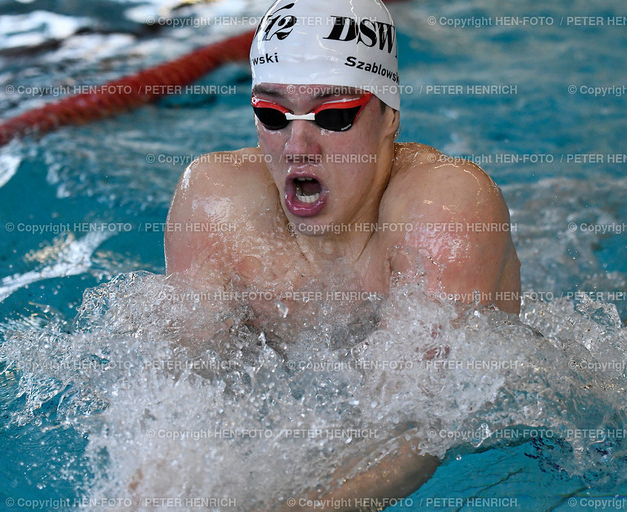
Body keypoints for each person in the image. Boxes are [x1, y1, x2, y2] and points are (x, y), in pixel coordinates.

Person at [164, 0, 521, 507]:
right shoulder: (216, 204)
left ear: (390, 117)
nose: (297, 147)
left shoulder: (447, 211)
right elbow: (182, 404)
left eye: (332, 117)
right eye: (272, 115)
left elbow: (417, 431)